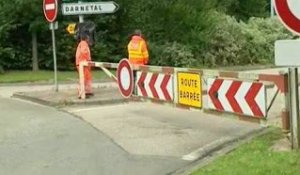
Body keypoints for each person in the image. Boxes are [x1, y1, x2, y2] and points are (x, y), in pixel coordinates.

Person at [76, 32, 93, 98]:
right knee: (84, 79)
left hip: (82, 63)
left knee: (86, 78)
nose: (89, 39)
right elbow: (84, 52)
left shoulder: (82, 43)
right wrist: (88, 60)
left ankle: (87, 91)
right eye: (88, 38)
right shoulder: (83, 43)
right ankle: (82, 93)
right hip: (83, 64)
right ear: (86, 38)